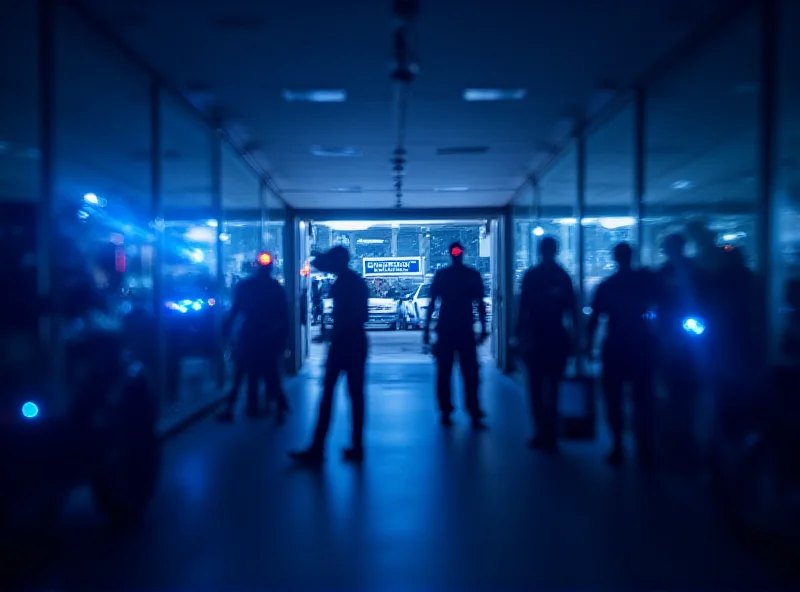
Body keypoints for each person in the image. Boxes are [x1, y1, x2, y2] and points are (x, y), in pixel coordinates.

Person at [290, 246, 370, 464]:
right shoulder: (353, 281)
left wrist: (336, 331)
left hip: (345, 342)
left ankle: (318, 448)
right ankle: (356, 445)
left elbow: (318, 263)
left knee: (329, 395)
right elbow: (363, 315)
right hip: (354, 342)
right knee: (355, 396)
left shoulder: (345, 282)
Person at [585, 242, 657, 467]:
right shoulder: (645, 283)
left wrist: (587, 346)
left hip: (616, 346)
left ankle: (618, 444)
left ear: (615, 258)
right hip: (641, 345)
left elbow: (595, 319)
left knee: (613, 398)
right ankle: (644, 446)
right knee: (642, 398)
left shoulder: (608, 286)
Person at [515, 236, 578, 452]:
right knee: (553, 388)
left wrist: (518, 337)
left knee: (536, 388)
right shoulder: (562, 277)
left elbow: (523, 310)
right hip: (555, 337)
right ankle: (549, 433)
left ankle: (542, 431)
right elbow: (572, 311)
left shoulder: (532, 276)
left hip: (537, 338)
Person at [218, 251, 290, 424]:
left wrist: (226, 331)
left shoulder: (246, 286)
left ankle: (236, 409)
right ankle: (278, 407)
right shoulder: (275, 288)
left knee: (242, 372)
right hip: (268, 336)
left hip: (250, 334)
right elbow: (284, 316)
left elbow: (235, 311)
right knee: (269, 373)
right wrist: (283, 339)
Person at [423, 242, 488, 428]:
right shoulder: (471, 275)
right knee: (470, 373)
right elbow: (480, 304)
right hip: (464, 330)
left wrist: (427, 330)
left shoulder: (443, 276)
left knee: (445, 373)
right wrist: (483, 328)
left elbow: (432, 303)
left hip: (447, 330)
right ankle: (473, 411)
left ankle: (446, 411)